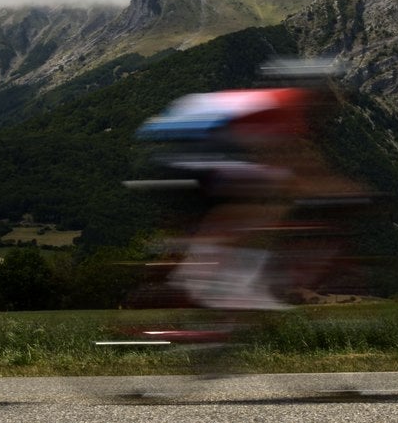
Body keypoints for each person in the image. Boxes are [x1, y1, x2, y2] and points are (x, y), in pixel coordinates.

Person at [131, 58, 356, 312]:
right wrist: (347, 193)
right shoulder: (287, 107)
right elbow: (295, 166)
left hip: (174, 157)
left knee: (251, 199)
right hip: (193, 159)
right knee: (270, 199)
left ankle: (192, 273)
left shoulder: (272, 101)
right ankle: (227, 284)